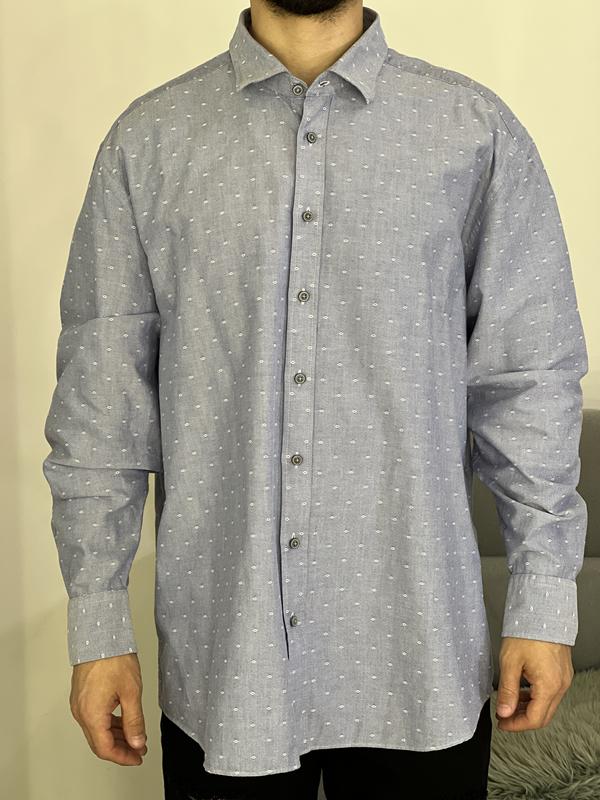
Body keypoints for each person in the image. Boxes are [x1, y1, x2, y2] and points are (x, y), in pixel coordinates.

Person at [42, 1, 587, 798]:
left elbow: (528, 382)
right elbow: (101, 406)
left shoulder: (475, 133)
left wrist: (542, 602)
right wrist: (98, 625)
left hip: (419, 657)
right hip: (228, 663)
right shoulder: (148, 141)